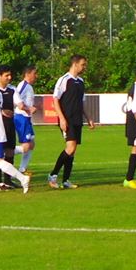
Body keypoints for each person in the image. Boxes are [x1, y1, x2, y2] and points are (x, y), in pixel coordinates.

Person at [48, 55, 93, 189]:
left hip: (77, 119)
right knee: (70, 148)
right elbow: (55, 99)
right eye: (83, 64)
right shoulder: (64, 80)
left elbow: (82, 102)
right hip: (67, 119)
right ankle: (53, 174)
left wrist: (89, 118)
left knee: (72, 151)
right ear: (75, 64)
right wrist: (62, 118)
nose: (84, 67)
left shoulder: (81, 81)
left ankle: (66, 180)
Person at [13, 65, 39, 175]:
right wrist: (29, 108)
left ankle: (22, 169)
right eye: (34, 73)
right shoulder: (23, 85)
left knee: (31, 144)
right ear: (27, 74)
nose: (36, 76)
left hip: (26, 118)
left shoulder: (28, 86)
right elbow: (16, 99)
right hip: (21, 118)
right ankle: (3, 154)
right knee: (27, 146)